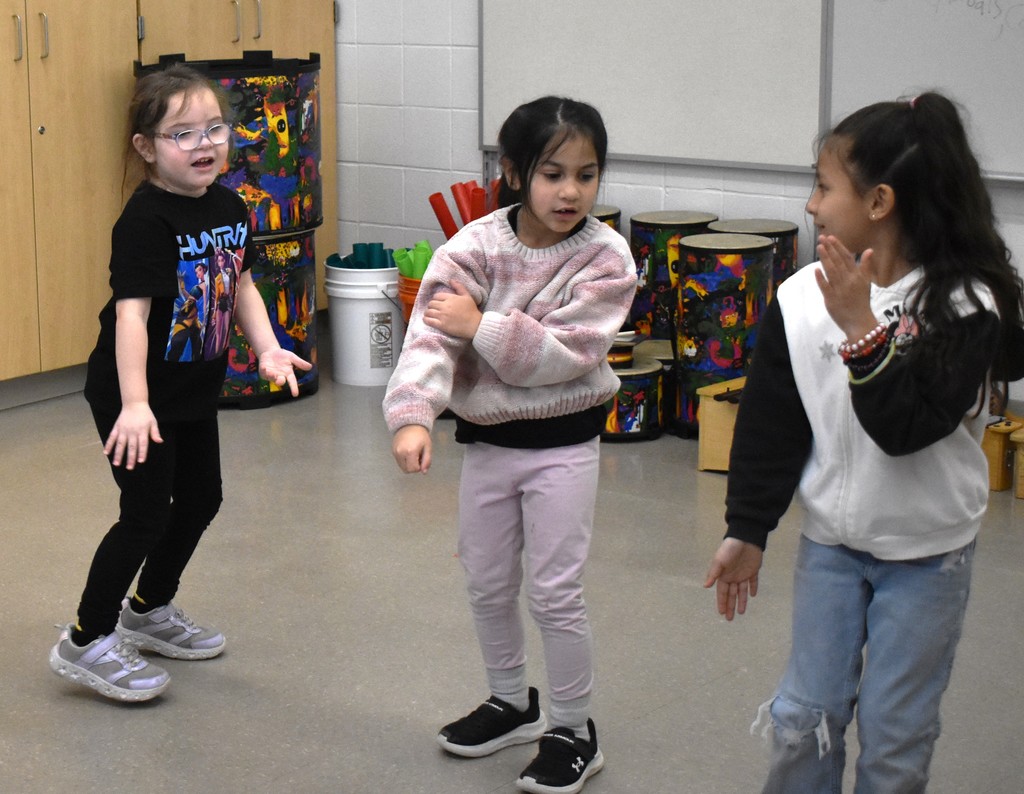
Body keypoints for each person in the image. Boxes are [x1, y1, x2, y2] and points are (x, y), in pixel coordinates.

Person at [703, 92, 1024, 792]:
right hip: (831, 549)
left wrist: (860, 329)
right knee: (803, 719)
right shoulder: (796, 298)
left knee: (894, 739)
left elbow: (905, 430)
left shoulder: (966, 306)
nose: (812, 205)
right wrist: (747, 528)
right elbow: (771, 424)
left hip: (928, 556)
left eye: (824, 187)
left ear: (879, 202)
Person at [382, 96, 637, 793]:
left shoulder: (607, 256)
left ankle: (573, 727)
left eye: (588, 175)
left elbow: (562, 355)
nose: (572, 192)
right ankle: (511, 702)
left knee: (555, 592)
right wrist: (412, 413)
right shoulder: (471, 247)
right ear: (518, 172)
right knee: (487, 579)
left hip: (564, 447)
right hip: (489, 445)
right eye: (554, 174)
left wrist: (482, 325)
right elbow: (430, 338)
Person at [49, 64, 312, 702]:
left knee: (200, 500)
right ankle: (86, 638)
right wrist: (135, 404)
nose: (203, 144)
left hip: (192, 389)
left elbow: (241, 283)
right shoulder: (145, 219)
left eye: (214, 128)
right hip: (133, 395)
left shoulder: (229, 205)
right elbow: (132, 316)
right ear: (146, 147)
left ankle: (150, 608)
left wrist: (271, 349)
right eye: (182, 133)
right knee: (143, 516)